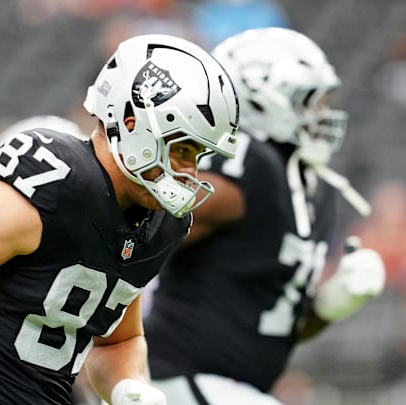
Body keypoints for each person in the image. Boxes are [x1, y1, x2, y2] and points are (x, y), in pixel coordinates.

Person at [0, 33, 240, 405]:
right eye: (182, 149)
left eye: (197, 156)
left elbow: (119, 339)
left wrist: (128, 388)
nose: (190, 173)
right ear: (132, 124)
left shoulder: (159, 225)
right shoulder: (59, 182)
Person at [143, 27, 386, 404]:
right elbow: (144, 227)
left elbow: (273, 322)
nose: (321, 114)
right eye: (309, 101)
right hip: (175, 376)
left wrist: (329, 305)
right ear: (259, 99)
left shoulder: (313, 189)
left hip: (225, 386)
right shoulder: (249, 162)